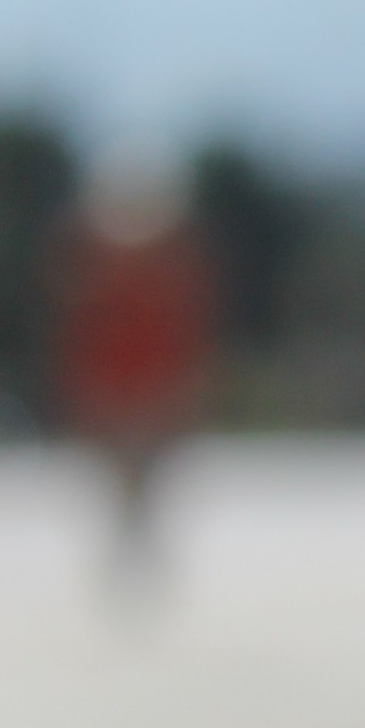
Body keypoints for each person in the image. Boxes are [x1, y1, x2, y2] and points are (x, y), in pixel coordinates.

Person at [51, 164, 217, 600]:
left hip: (149, 389)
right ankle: (132, 551)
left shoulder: (165, 268)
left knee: (144, 478)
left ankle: (137, 551)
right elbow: (83, 338)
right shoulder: (98, 268)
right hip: (119, 389)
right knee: (126, 479)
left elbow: (183, 338)